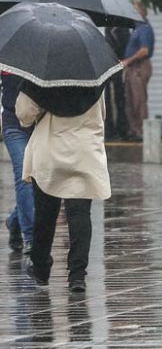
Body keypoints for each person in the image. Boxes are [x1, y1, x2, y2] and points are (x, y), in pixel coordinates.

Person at [16, 82, 111, 293]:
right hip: (83, 151)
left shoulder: (39, 78)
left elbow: (24, 114)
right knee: (79, 214)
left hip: (50, 150)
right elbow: (101, 114)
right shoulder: (94, 79)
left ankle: (41, 268)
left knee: (46, 213)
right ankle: (77, 275)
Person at [1, 72, 33, 254]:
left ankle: (15, 220)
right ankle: (30, 238)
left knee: (43, 183)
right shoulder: (8, 52)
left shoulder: (46, 53)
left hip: (41, 124)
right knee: (24, 178)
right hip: (14, 123)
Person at [121, 1, 155, 141]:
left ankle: (141, 131)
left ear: (142, 12)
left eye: (135, 10)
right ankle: (133, 129)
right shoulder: (136, 28)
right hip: (132, 68)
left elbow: (144, 50)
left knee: (139, 100)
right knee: (130, 100)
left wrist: (128, 61)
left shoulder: (145, 28)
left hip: (139, 67)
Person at [104, 27, 130, 140]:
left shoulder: (122, 31)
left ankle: (120, 130)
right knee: (109, 100)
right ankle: (111, 130)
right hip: (109, 68)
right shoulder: (108, 30)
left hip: (118, 67)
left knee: (118, 100)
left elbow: (124, 49)